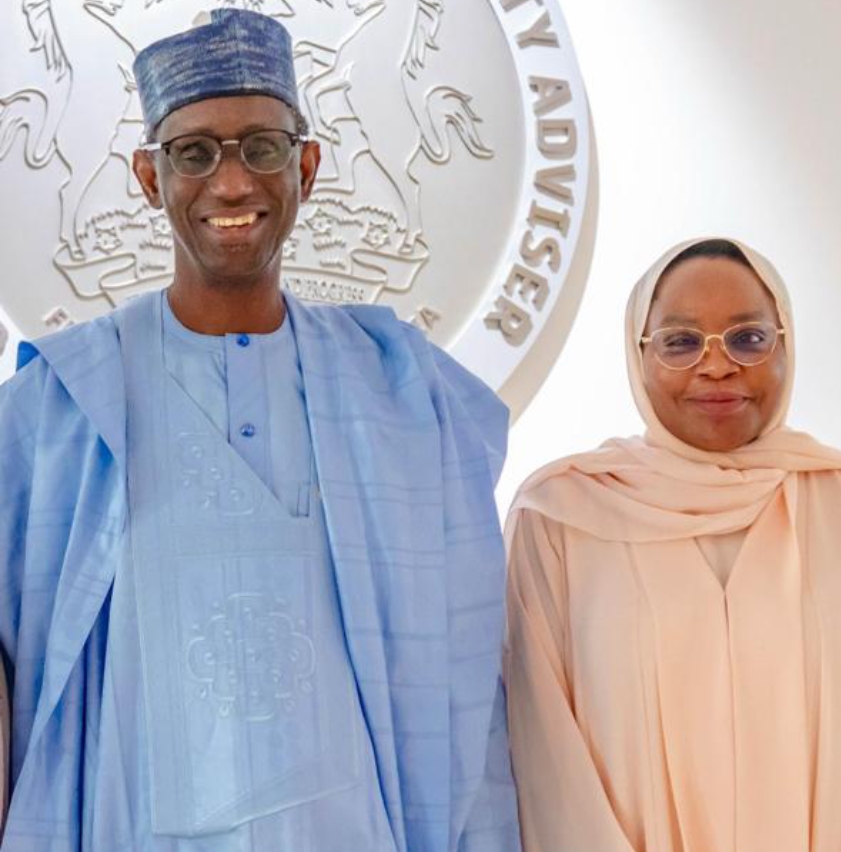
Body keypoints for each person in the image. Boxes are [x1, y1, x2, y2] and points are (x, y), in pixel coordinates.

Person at [0, 9, 519, 851]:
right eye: (194, 152)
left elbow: (467, 675)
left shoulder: (403, 395)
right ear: (149, 177)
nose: (233, 183)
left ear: (306, 167)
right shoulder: (57, 411)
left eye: (263, 148)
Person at [503, 237, 841, 852]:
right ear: (638, 354)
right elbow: (547, 763)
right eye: (680, 341)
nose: (716, 365)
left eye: (748, 338)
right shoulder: (562, 519)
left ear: (785, 344)